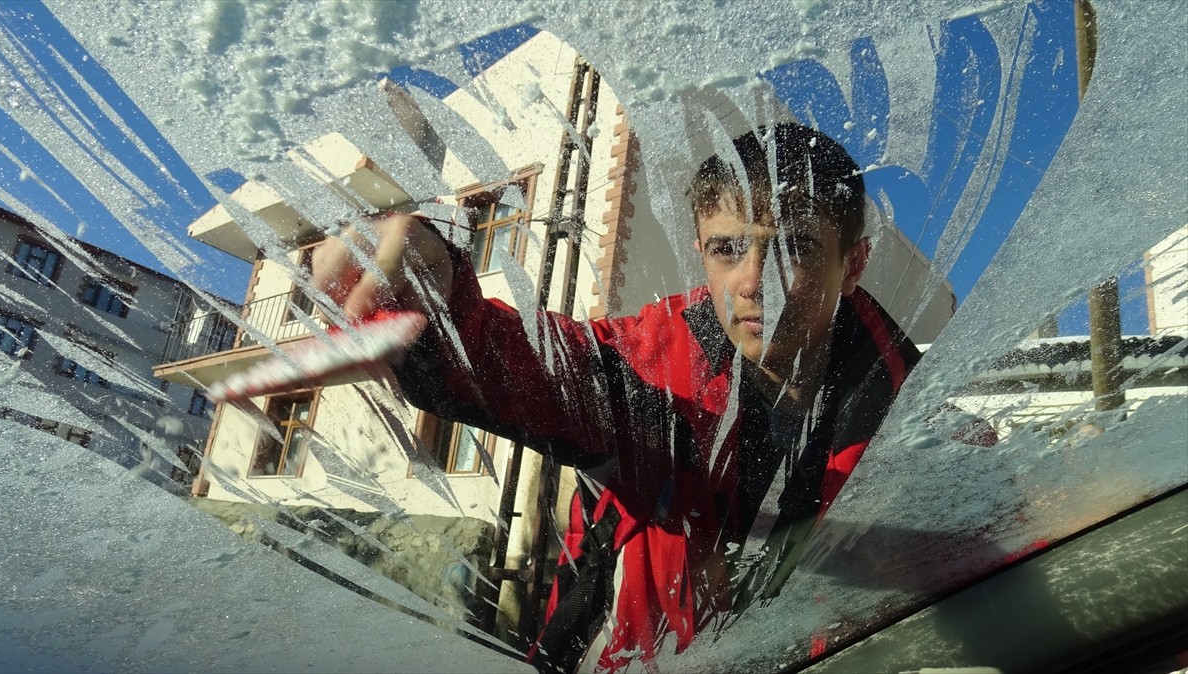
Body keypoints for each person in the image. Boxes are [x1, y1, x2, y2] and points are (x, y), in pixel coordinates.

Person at [312, 122, 920, 673]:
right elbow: (547, 367)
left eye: (797, 247)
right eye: (727, 248)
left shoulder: (918, 411)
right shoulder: (657, 360)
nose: (754, 281)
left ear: (855, 262)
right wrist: (439, 302)